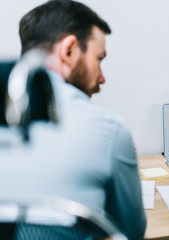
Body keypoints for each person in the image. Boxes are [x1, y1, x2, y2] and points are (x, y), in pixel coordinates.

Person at [0, 1, 146, 239]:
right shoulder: (109, 129)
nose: (102, 78)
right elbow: (131, 232)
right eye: (99, 59)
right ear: (69, 50)